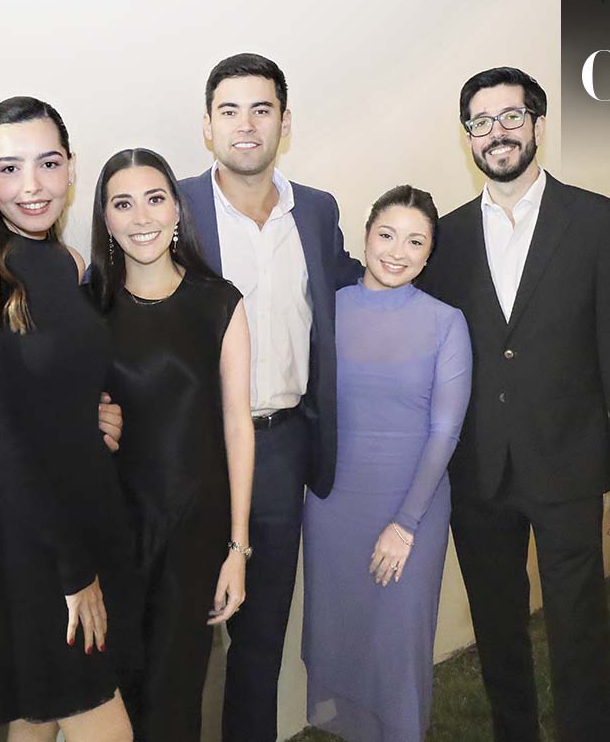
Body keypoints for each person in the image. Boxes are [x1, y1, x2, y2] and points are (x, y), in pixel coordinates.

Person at [415, 67, 610, 742]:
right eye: (481, 122)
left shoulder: (596, 219)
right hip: (479, 471)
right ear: (468, 138)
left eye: (511, 117)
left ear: (538, 126)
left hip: (569, 463)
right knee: (497, 630)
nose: (498, 133)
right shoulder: (447, 236)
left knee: (579, 626)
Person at [0, 96, 137, 742]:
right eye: (10, 167)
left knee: (40, 719)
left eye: (48, 163)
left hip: (83, 512)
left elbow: (64, 382)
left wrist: (98, 415)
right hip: (28, 544)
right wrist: (72, 569)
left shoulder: (69, 262)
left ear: (72, 167)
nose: (32, 185)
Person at [178, 52, 362, 742]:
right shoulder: (174, 206)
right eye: (230, 110)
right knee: (183, 642)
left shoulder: (316, 211)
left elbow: (349, 287)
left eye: (262, 110)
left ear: (285, 122)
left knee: (259, 644)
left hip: (283, 448)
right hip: (192, 452)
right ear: (207, 125)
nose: (246, 125)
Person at [89, 147, 253, 741]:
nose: (141, 217)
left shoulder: (219, 301)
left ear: (177, 210)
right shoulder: (88, 310)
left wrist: (238, 547)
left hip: (195, 530)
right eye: (122, 203)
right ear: (104, 218)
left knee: (174, 697)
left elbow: (238, 425)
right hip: (114, 534)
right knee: (116, 696)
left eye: (155, 199)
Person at [302, 185, 471, 742]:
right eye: (387, 235)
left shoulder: (446, 322)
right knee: (340, 635)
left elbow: (445, 430)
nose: (397, 251)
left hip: (410, 509)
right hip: (332, 507)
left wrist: (405, 524)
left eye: (415, 241)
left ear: (429, 254)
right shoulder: (327, 308)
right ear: (367, 236)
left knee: (398, 644)